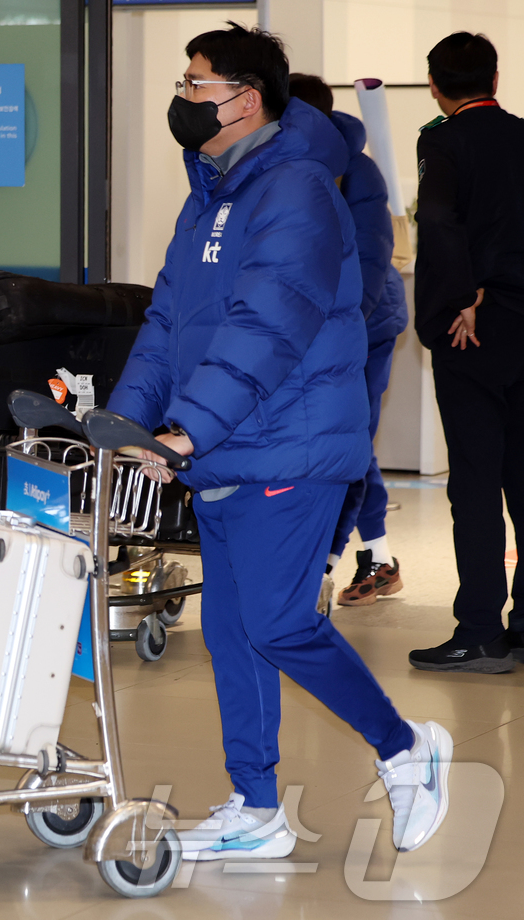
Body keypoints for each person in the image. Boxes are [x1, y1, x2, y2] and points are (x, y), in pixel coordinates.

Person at [110, 23, 451, 861]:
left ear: (244, 98)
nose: (184, 100)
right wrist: (123, 423)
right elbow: (167, 323)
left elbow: (268, 328)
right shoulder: (210, 195)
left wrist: (187, 428)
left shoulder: (295, 189)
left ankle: (408, 750)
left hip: (287, 447)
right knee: (233, 634)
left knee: (276, 623)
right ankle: (256, 807)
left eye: (197, 86)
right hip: (232, 447)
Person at [408, 32, 524, 673]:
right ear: (495, 79)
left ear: (435, 85)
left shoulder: (443, 140)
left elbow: (442, 223)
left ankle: (480, 629)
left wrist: (458, 301)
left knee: (476, 485)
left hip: (472, 331)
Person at [286, 74, 409, 611]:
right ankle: (377, 556)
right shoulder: (285, 164)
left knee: (348, 443)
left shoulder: (356, 171)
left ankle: (325, 566)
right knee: (347, 440)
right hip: (312, 328)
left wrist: (338, 332)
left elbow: (371, 260)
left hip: (364, 326)